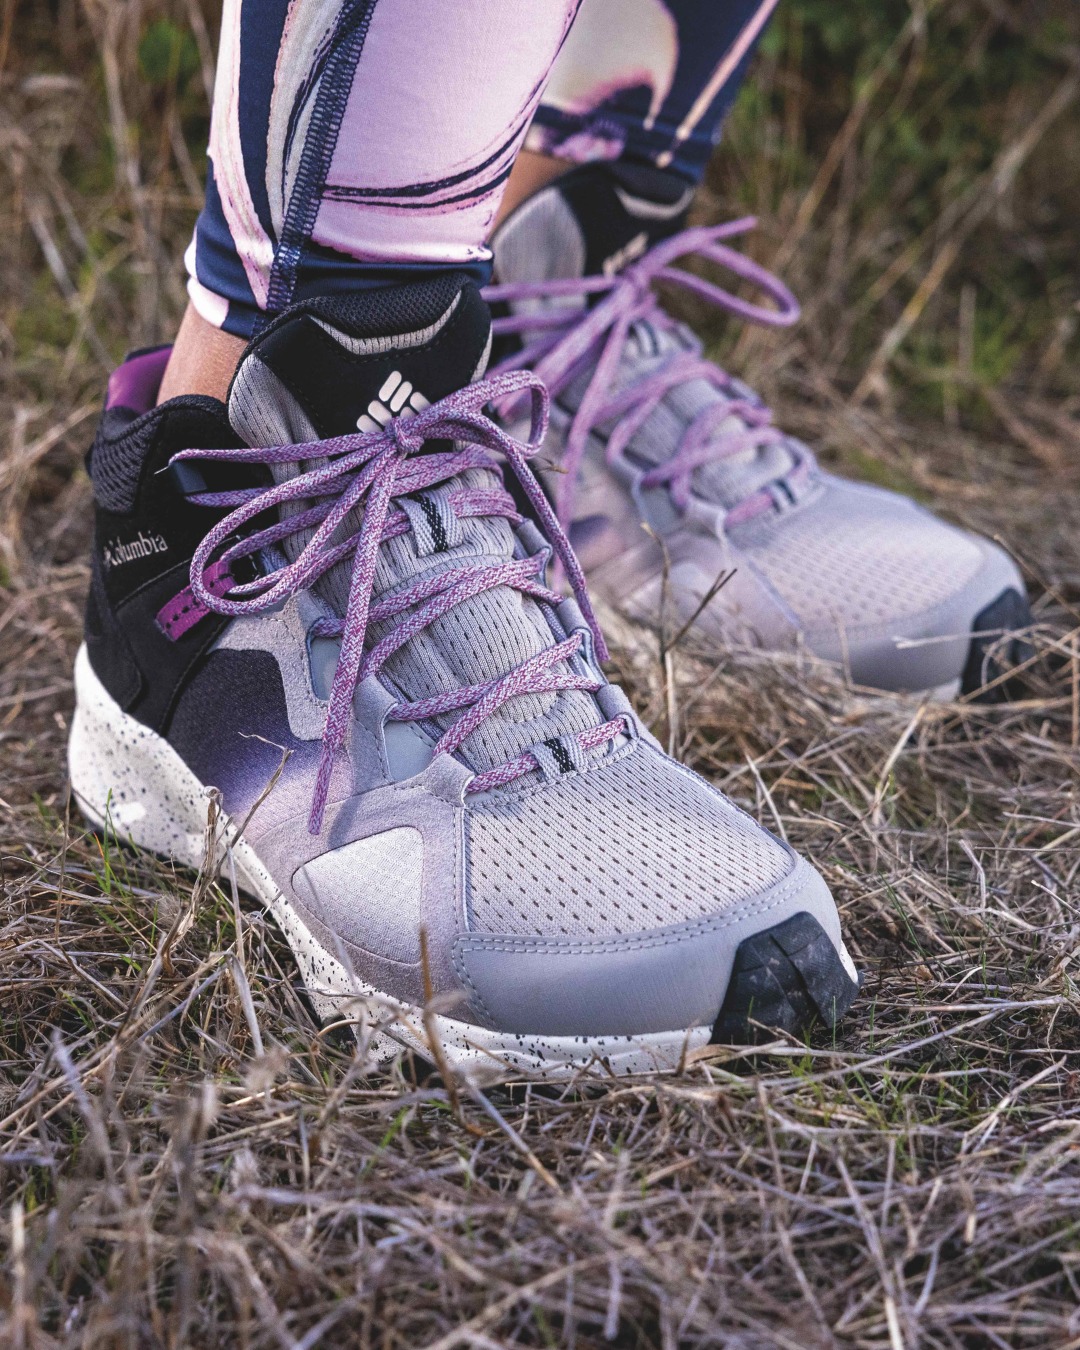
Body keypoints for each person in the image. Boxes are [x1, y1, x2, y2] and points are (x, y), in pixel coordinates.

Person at [70, 0, 1024, 1073]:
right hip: (236, 513)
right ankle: (251, 521)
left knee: (540, 195)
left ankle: (483, 336)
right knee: (338, 327)